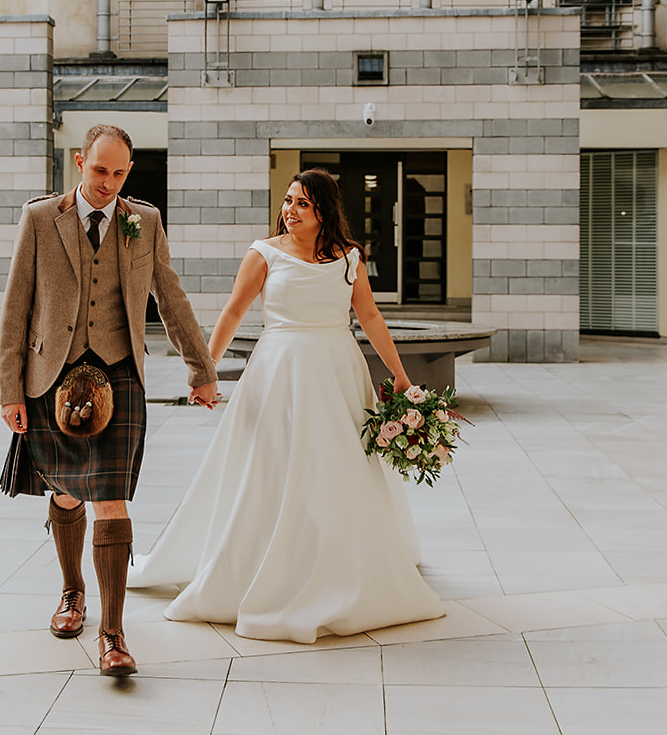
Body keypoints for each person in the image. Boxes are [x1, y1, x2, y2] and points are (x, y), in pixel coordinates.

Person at [128, 167, 445, 643]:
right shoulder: (264, 253)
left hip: (338, 372)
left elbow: (372, 318)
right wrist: (205, 370)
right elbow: (234, 311)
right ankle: (262, 563)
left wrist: (400, 379)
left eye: (302, 204)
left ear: (324, 212)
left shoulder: (349, 259)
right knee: (273, 467)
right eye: (288, 200)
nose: (290, 210)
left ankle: (341, 568)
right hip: (279, 371)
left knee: (339, 469)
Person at [0, 124, 219, 677]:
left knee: (112, 499)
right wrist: (9, 391)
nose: (109, 183)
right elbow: (15, 309)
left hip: (120, 378)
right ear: (79, 161)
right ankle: (73, 593)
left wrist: (201, 370)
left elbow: (170, 296)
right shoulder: (41, 219)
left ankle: (113, 634)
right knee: (68, 497)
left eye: (120, 173)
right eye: (100, 171)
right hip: (52, 378)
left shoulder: (144, 221)